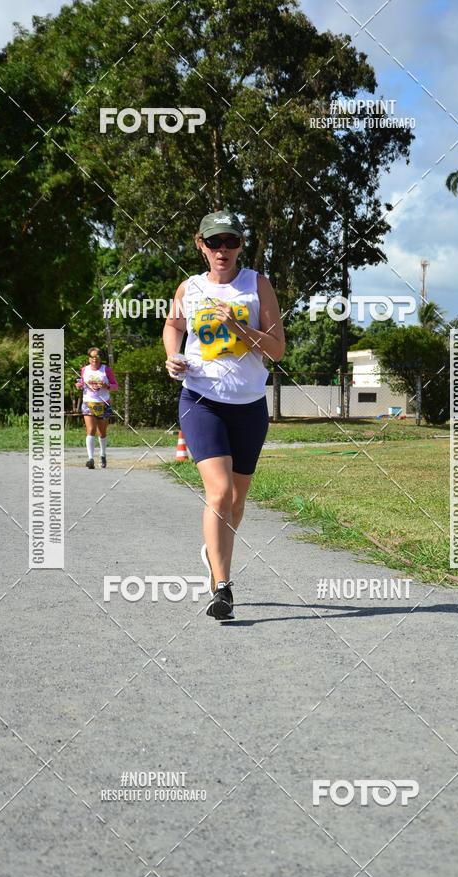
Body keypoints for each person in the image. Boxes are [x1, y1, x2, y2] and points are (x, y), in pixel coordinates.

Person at [162, 211, 285, 620]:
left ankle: (213, 552)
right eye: (214, 243)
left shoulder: (257, 285)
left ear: (240, 245)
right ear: (201, 245)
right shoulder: (190, 287)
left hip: (249, 406)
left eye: (230, 242)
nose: (222, 250)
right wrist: (172, 357)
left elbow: (277, 350)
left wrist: (239, 327)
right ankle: (222, 586)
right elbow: (172, 326)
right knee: (218, 494)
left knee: (236, 501)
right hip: (201, 400)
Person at [76, 348, 119, 468]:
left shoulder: (106, 370)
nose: (94, 359)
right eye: (92, 357)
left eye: (97, 357)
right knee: (90, 430)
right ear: (89, 358)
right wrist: (79, 385)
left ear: (100, 358)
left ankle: (102, 454)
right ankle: (90, 459)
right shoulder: (85, 369)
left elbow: (116, 386)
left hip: (103, 403)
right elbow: (82, 382)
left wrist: (107, 386)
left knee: (102, 432)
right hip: (88, 403)